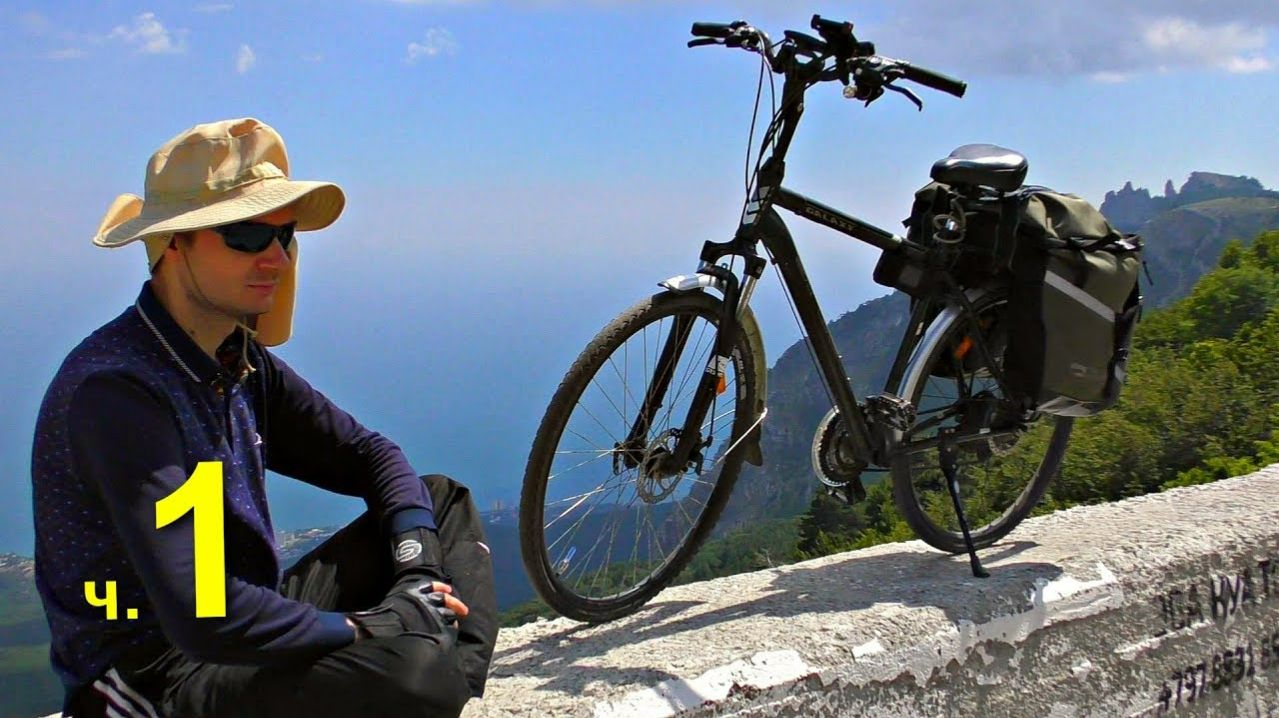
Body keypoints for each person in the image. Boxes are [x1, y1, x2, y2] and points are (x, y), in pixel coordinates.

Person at [31, 118, 498, 718]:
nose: (277, 257)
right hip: (158, 677)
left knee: (437, 501)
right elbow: (206, 612)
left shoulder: (235, 361)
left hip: (241, 625)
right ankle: (431, 677)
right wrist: (368, 628)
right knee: (410, 673)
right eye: (247, 235)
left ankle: (434, 676)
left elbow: (371, 456)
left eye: (285, 234)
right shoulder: (121, 393)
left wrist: (415, 576)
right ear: (173, 244)